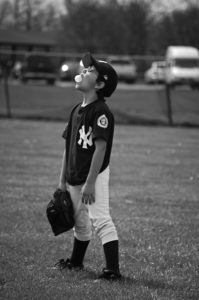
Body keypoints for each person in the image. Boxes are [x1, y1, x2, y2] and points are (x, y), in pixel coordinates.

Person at [55, 53, 121, 280]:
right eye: (84, 69)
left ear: (100, 84)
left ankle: (112, 269)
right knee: (80, 222)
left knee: (101, 219)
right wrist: (62, 181)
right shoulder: (76, 110)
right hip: (74, 176)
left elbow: (100, 149)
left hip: (94, 176)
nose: (82, 72)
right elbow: (68, 147)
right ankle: (76, 262)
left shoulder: (101, 112)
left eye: (89, 71)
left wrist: (91, 183)